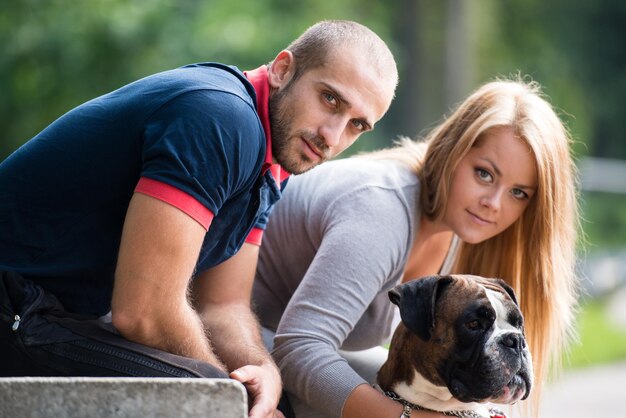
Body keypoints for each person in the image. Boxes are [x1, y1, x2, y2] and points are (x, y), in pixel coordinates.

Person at [0, 20, 398, 418]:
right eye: (330, 99)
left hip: (51, 315)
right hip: (16, 301)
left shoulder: (274, 158)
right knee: (219, 405)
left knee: (265, 401)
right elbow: (144, 312)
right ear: (282, 70)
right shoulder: (221, 119)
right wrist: (226, 389)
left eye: (357, 125)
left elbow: (223, 304)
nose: (333, 136)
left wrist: (262, 369)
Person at [253, 77, 579, 418]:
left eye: (518, 192)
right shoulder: (382, 211)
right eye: (484, 174)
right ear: (452, 151)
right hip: (234, 333)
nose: (493, 203)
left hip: (277, 343)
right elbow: (298, 349)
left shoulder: (456, 227)